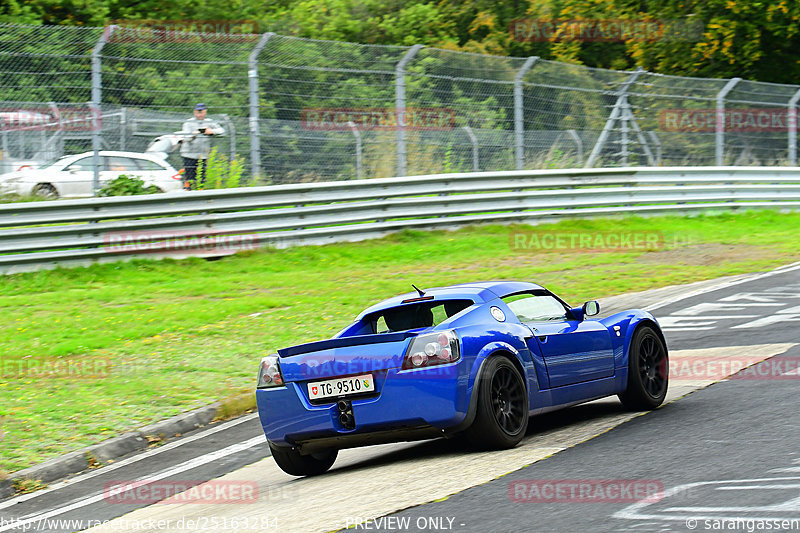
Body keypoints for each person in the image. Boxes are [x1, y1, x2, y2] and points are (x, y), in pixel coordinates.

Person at [180, 103, 225, 190]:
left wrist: (211, 131)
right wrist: (194, 134)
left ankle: (200, 195)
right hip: (189, 155)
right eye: (198, 112)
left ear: (205, 112)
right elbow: (185, 137)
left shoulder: (210, 122)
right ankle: (189, 194)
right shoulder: (188, 123)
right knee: (190, 179)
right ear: (194, 112)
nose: (199, 114)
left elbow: (222, 131)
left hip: (203, 156)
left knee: (202, 179)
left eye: (201, 112)